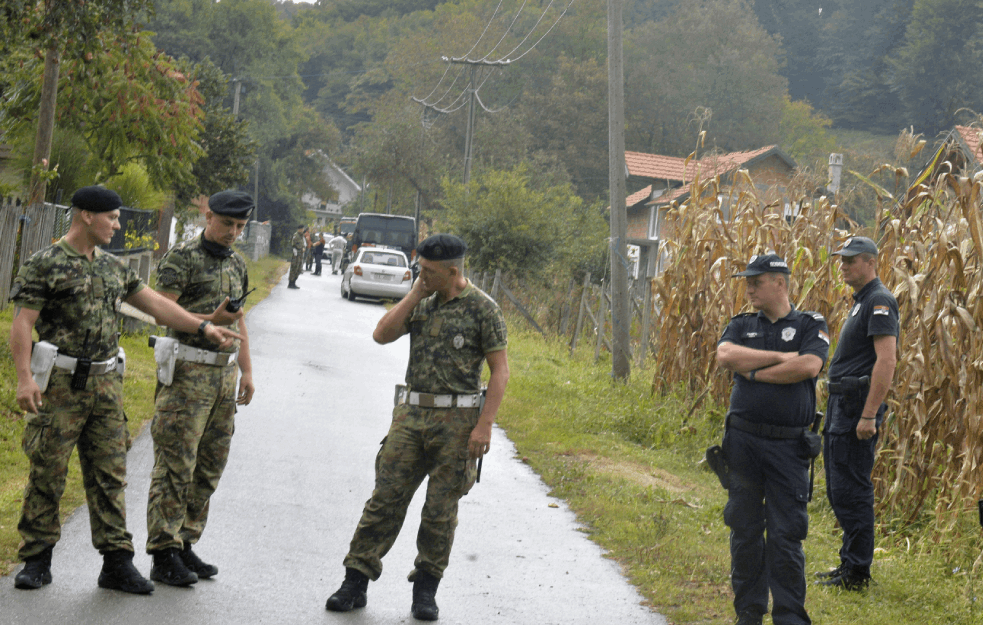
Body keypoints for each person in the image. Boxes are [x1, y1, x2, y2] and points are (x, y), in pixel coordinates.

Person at [9, 186, 240, 595]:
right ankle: (36, 558)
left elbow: (157, 306)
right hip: (61, 383)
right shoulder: (45, 263)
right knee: (48, 469)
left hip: (106, 384)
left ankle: (116, 561)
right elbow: (23, 323)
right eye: (112, 218)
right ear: (86, 216)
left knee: (109, 475)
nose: (117, 225)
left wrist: (204, 326)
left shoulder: (114, 268)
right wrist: (25, 378)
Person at [325, 234, 509, 622]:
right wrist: (413, 295)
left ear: (453, 271)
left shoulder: (483, 309)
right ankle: (355, 580)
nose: (420, 275)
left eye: (428, 271)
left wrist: (485, 426)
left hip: (458, 422)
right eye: (419, 268)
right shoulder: (421, 300)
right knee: (385, 499)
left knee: (440, 510)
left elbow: (500, 371)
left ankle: (426, 589)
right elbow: (381, 334)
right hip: (412, 415)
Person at [144, 190, 257, 587]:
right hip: (188, 374)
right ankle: (163, 551)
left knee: (210, 465)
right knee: (176, 464)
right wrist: (209, 319)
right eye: (227, 224)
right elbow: (163, 312)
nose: (233, 232)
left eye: (240, 227)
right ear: (209, 217)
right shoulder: (183, 258)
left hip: (223, 377)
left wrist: (247, 372)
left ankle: (186, 540)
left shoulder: (238, 264)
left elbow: (239, 321)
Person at [715, 253, 830, 625]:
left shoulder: (810, 324)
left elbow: (809, 366)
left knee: (785, 535)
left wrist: (752, 373)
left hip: (787, 447)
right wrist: (779, 358)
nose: (748, 289)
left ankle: (789, 617)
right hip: (744, 444)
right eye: (746, 282)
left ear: (779, 283)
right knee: (745, 530)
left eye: (756, 282)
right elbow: (726, 355)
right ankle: (749, 611)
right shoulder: (741, 324)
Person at [817, 236, 898, 591]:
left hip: (855, 408)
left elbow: (887, 360)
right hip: (841, 406)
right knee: (838, 488)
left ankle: (857, 572)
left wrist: (868, 415)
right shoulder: (862, 301)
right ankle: (848, 563)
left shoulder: (879, 301)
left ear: (870, 262)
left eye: (851, 261)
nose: (843, 266)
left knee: (853, 489)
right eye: (842, 260)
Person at [287, 225, 306, 289]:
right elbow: (293, 244)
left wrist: (303, 248)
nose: (303, 230)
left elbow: (303, 244)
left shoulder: (301, 236)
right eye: (302, 229)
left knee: (298, 269)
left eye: (303, 229)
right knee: (294, 268)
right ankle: (290, 283)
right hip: (296, 254)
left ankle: (294, 282)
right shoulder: (296, 235)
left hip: (300, 255)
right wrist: (299, 249)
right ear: (299, 229)